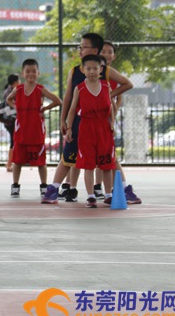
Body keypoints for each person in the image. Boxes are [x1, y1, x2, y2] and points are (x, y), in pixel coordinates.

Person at [41, 33, 132, 204]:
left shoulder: (105, 72)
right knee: (68, 157)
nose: (80, 50)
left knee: (109, 160)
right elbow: (68, 97)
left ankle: (123, 190)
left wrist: (109, 95)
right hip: (79, 123)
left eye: (83, 46)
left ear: (95, 50)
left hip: (101, 124)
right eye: (80, 47)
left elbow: (128, 84)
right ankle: (53, 189)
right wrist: (64, 120)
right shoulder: (75, 71)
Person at [64, 55, 115, 208]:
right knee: (88, 165)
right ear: (83, 70)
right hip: (86, 128)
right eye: (88, 68)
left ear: (101, 69)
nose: (92, 71)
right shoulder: (79, 88)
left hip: (103, 129)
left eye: (95, 68)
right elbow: (72, 110)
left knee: (107, 164)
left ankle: (108, 195)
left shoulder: (106, 86)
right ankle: (91, 196)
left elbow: (111, 106)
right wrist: (69, 128)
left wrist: (112, 122)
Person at [7, 60, 62, 198]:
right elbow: (8, 99)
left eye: (33, 71)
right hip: (21, 132)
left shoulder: (40, 89)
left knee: (41, 162)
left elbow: (58, 101)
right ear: (23, 73)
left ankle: (44, 186)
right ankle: (15, 186)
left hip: (36, 132)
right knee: (17, 161)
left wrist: (45, 108)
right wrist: (16, 107)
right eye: (28, 71)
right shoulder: (18, 89)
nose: (31, 74)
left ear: (38, 73)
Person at [99, 41, 142, 204]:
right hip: (89, 121)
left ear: (114, 56)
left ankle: (121, 190)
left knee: (109, 158)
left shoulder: (111, 73)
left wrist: (113, 109)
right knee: (89, 160)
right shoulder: (91, 72)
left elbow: (119, 95)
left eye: (109, 52)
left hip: (104, 120)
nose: (106, 54)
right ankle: (71, 187)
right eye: (103, 51)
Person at [1, 74, 20, 172]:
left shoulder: (8, 90)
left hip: (10, 120)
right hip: (11, 120)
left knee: (14, 141)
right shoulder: (11, 92)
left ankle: (10, 162)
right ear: (15, 82)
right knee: (13, 142)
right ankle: (9, 164)